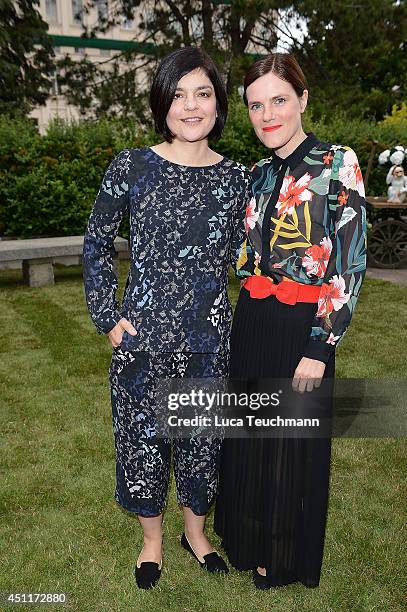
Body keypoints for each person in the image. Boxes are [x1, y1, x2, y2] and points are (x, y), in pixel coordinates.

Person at [83, 47, 250, 589]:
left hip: (208, 341)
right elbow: (96, 244)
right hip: (142, 340)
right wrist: (108, 316)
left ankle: (195, 535)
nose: (191, 105)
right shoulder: (131, 166)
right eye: (177, 94)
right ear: (162, 102)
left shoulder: (236, 180)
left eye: (203, 93)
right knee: (141, 446)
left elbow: (252, 256)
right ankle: (152, 540)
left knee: (201, 445)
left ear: (218, 104)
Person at [214, 53, 367, 589]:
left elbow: (350, 261)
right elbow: (241, 254)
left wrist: (321, 346)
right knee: (251, 438)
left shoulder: (336, 162)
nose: (267, 114)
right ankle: (247, 539)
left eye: (279, 100)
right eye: (256, 105)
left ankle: (278, 556)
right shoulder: (255, 173)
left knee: (288, 445)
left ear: (302, 100)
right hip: (252, 318)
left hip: (303, 325)